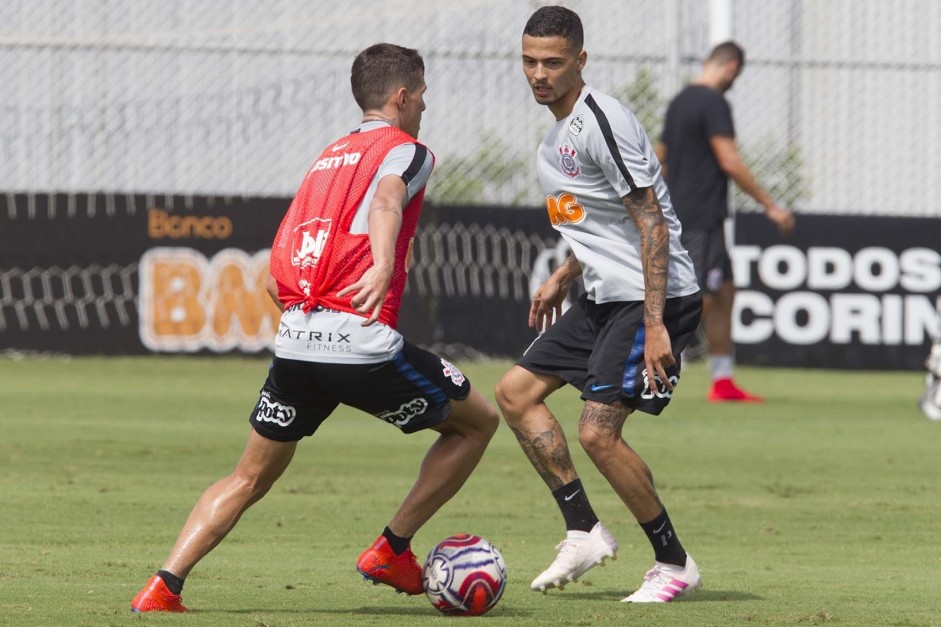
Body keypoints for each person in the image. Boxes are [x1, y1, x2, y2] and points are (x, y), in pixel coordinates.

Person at [130, 43, 499, 613]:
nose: (426, 104)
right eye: (422, 93)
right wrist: (379, 265)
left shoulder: (325, 159)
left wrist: (311, 329)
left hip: (296, 341)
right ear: (402, 96)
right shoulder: (408, 150)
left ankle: (162, 586)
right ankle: (391, 549)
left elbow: (276, 278)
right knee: (477, 424)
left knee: (248, 477)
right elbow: (387, 198)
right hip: (359, 342)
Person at [495, 6, 703, 603]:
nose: (539, 73)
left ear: (580, 61)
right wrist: (565, 271)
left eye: (553, 62)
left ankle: (673, 562)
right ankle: (583, 529)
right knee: (514, 393)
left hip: (649, 299)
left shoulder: (600, 120)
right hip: (605, 295)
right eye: (530, 61)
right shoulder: (557, 134)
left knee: (598, 434)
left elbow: (652, 223)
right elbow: (606, 225)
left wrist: (658, 323)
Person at [657, 41, 796, 402]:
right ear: (732, 67)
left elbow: (661, 159)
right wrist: (771, 206)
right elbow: (730, 161)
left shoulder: (679, 101)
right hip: (699, 216)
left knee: (725, 292)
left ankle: (722, 380)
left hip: (690, 213)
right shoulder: (714, 103)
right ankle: (651, 362)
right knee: (696, 295)